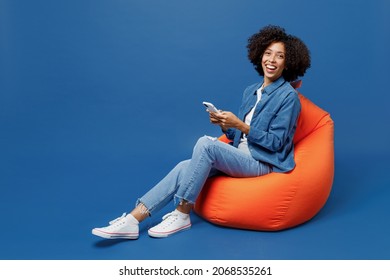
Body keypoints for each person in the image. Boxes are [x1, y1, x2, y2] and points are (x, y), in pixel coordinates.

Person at [92, 25, 311, 239]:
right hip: (241, 157)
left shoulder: (287, 97)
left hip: (262, 162)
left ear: (288, 63)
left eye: (279, 56)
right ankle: (132, 220)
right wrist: (224, 125)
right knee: (183, 167)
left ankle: (182, 213)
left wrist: (240, 125)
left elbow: (276, 143)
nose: (271, 60)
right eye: (267, 53)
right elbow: (238, 139)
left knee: (205, 144)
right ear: (259, 55)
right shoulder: (251, 92)